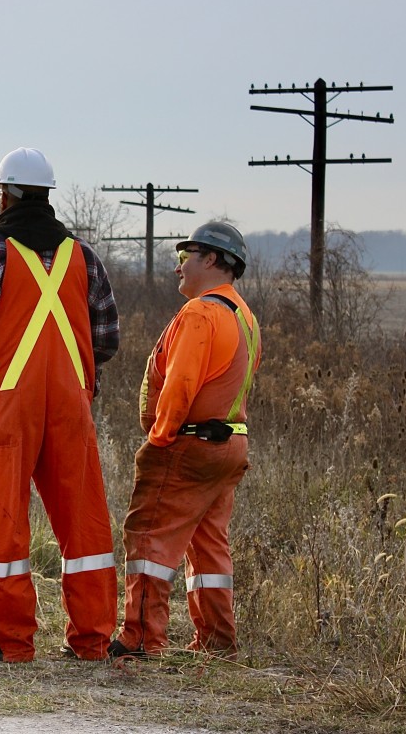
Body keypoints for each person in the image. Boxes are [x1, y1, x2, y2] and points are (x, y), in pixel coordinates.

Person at [0, 147, 120, 662]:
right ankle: (91, 641)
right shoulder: (84, 258)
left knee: (3, 528)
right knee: (85, 528)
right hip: (70, 409)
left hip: (2, 410)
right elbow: (105, 339)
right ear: (47, 196)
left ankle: (11, 643)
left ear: (5, 196)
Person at [110, 221, 261, 660]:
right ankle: (217, 643)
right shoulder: (244, 316)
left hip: (190, 445)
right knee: (209, 545)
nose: (179, 268)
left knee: (148, 538)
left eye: (184, 258)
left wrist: (159, 439)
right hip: (229, 446)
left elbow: (181, 384)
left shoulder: (201, 313)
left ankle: (140, 640)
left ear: (212, 260)